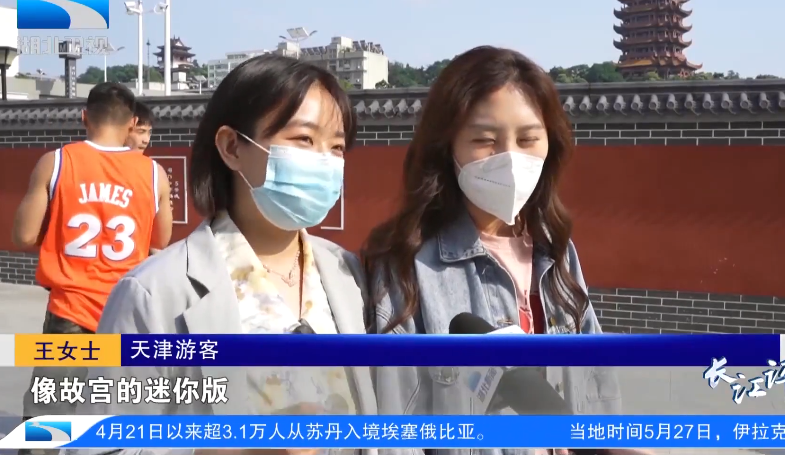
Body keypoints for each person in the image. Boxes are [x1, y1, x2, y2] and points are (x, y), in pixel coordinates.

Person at [76, 55, 377, 453]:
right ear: (232, 147)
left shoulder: (348, 273)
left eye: (336, 147)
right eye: (304, 139)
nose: (324, 160)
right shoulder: (154, 292)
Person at [362, 46, 650, 455]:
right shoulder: (406, 264)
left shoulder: (558, 253)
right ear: (447, 146)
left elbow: (596, 391)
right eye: (484, 140)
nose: (510, 158)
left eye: (528, 139)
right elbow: (397, 429)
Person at [11, 82, 173, 454]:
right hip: (127, 314)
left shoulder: (56, 162)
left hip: (71, 311)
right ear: (132, 123)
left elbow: (23, 235)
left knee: (48, 418)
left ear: (84, 117)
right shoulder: (154, 174)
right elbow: (160, 241)